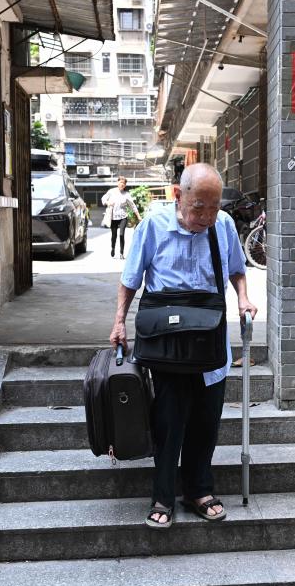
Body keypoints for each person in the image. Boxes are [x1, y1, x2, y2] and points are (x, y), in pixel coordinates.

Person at [110, 163, 258, 529]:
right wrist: (119, 321)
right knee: (169, 421)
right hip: (168, 340)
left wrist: (243, 298)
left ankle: (199, 490)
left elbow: (237, 269)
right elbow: (131, 278)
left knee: (206, 420)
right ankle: (163, 496)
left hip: (210, 338)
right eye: (198, 208)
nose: (206, 217)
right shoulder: (153, 225)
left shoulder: (223, 225)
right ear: (179, 196)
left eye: (213, 207)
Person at [101, 177, 141, 259]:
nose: (122, 184)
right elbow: (103, 198)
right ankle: (113, 248)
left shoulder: (126, 194)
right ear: (117, 183)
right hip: (113, 217)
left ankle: (121, 253)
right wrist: (107, 203)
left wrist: (138, 216)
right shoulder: (111, 191)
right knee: (114, 235)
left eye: (123, 183)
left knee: (121, 234)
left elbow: (132, 205)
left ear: (125, 185)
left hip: (123, 216)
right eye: (120, 182)